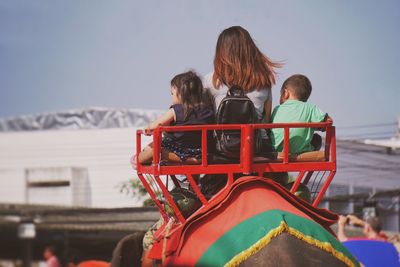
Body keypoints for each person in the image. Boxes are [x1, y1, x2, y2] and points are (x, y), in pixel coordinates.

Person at [203, 25, 281, 125]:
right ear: (250, 49)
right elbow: (266, 120)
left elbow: (205, 118)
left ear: (221, 52)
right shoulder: (263, 81)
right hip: (256, 139)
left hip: (223, 139)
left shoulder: (210, 81)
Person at [136, 70, 215, 166]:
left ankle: (137, 159)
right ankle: (192, 160)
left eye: (172, 93)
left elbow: (156, 125)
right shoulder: (208, 110)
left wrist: (147, 128)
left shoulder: (176, 110)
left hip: (179, 154)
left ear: (181, 93)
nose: (171, 97)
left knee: (155, 146)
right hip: (203, 155)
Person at [270, 74, 330, 154]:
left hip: (277, 150)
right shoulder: (310, 108)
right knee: (317, 139)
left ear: (285, 93)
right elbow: (329, 121)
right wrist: (314, 126)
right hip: (300, 151)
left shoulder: (276, 109)